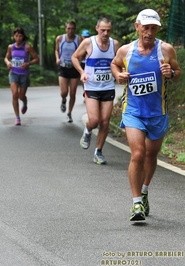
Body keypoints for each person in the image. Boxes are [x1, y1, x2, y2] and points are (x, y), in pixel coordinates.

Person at [111, 9, 181, 221]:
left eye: (154, 28)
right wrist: (118, 75)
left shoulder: (166, 50)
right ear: (137, 27)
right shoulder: (126, 51)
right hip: (133, 111)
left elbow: (178, 73)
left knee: (151, 156)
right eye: (146, 27)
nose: (149, 32)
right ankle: (136, 204)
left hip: (157, 113)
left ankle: (144, 190)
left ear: (158, 29)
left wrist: (172, 73)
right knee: (138, 153)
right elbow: (115, 64)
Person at [72, 18, 119, 164]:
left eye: (108, 30)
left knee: (105, 122)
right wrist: (82, 72)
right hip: (91, 86)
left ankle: (98, 152)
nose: (105, 33)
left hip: (108, 87)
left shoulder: (115, 44)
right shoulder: (88, 43)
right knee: (94, 120)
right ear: (97, 28)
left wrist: (119, 73)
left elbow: (120, 62)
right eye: (103, 30)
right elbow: (74, 57)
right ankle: (88, 131)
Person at [4, 27, 39, 126]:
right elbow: (6, 57)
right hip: (13, 73)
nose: (18, 38)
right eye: (16, 36)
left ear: (23, 36)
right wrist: (8, 63)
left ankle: (25, 102)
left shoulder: (27, 47)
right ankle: (17, 117)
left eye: (20, 36)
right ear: (13, 36)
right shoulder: (11, 47)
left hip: (24, 74)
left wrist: (28, 63)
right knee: (15, 94)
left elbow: (36, 58)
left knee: (21, 96)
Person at [55, 21, 83, 123]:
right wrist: (57, 58)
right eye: (68, 28)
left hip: (74, 68)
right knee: (64, 92)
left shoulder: (78, 39)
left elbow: (82, 51)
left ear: (75, 29)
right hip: (63, 67)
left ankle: (69, 113)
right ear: (65, 29)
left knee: (72, 93)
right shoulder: (60, 38)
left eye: (72, 29)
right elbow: (57, 50)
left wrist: (79, 59)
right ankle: (63, 100)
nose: (70, 31)